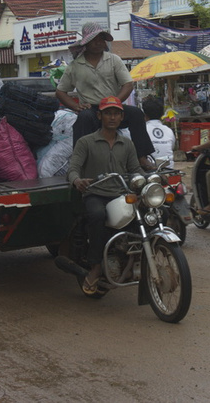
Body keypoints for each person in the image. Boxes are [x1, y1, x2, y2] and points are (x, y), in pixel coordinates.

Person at [67, 96, 145, 294]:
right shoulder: (86, 142)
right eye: (108, 113)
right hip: (96, 194)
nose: (112, 117)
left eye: (116, 113)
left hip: (121, 194)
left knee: (147, 213)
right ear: (99, 116)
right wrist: (77, 180)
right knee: (97, 215)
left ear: (122, 117)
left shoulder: (127, 144)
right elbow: (73, 168)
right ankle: (95, 266)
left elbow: (135, 169)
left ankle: (136, 256)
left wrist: (150, 179)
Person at [56, 22, 155, 170]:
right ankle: (79, 164)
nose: (99, 43)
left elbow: (128, 84)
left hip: (113, 106)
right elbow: (60, 92)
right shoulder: (75, 66)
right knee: (83, 118)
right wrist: (76, 106)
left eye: (101, 39)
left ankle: (142, 158)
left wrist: (115, 102)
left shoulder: (114, 60)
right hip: (92, 109)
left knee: (136, 113)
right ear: (86, 43)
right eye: (94, 40)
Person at [142, 97, 175, 169]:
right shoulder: (168, 130)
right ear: (162, 114)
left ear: (145, 114)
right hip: (169, 169)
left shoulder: (142, 130)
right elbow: (171, 147)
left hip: (151, 170)